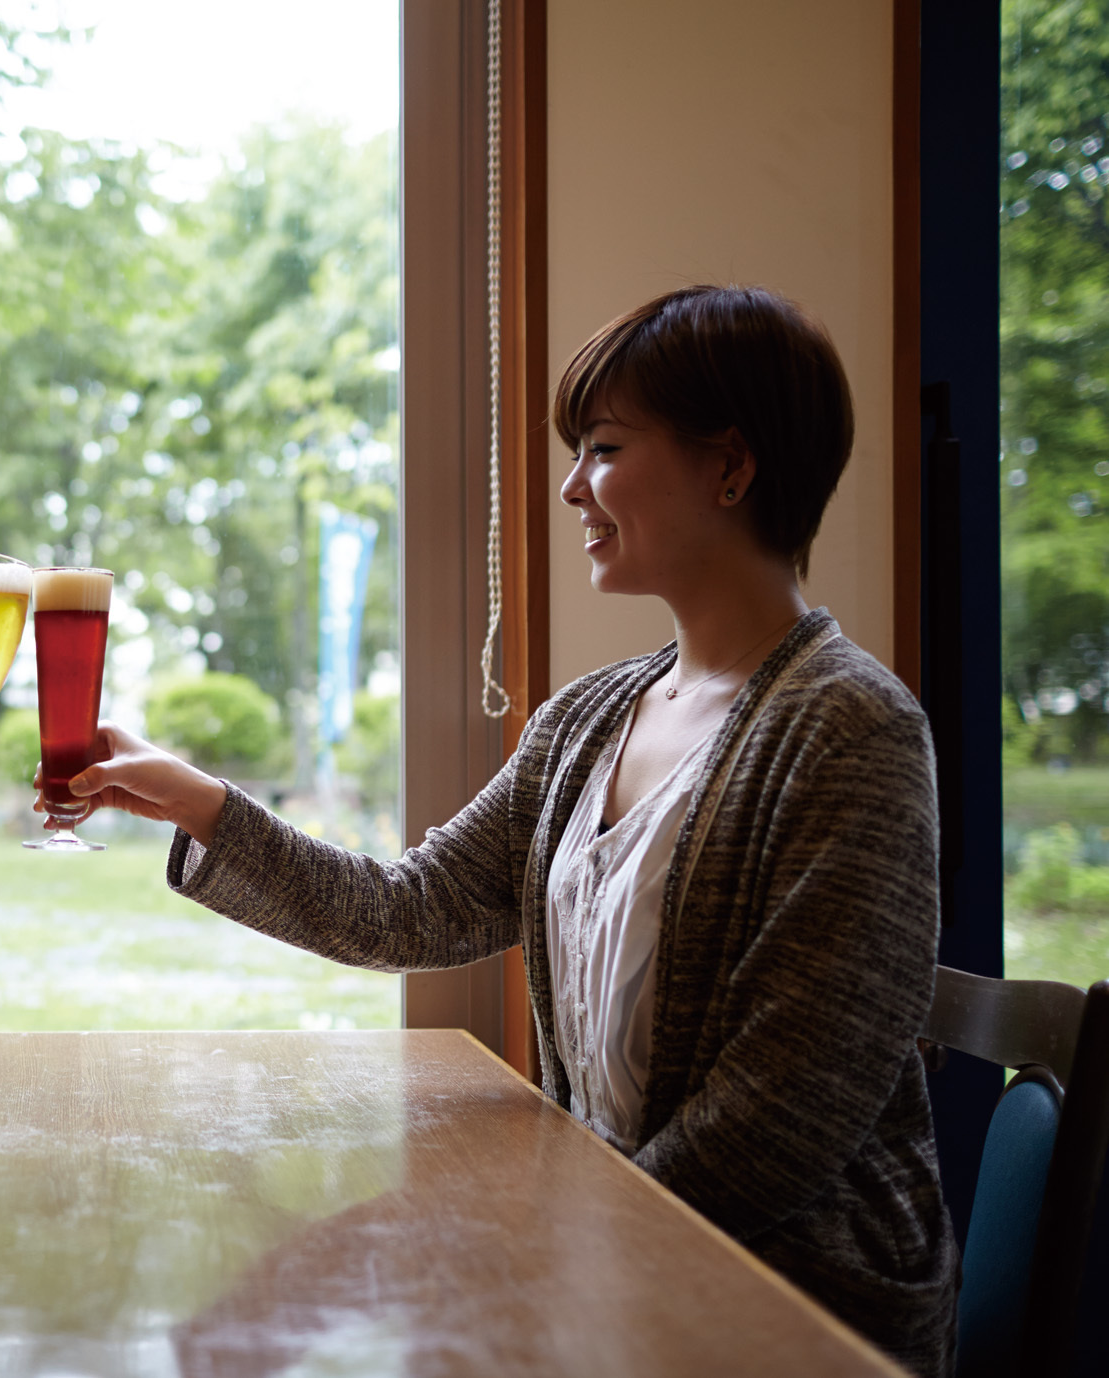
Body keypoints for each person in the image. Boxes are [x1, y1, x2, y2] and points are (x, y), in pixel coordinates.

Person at [47, 285, 957, 1375]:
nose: (572, 485)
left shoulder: (851, 726)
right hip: (615, 1258)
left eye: (605, 447)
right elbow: (411, 909)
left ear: (732, 466)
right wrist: (202, 801)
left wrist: (541, 1255)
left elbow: (780, 1125)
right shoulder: (587, 718)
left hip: (788, 1301)